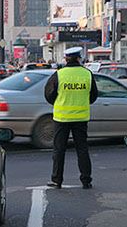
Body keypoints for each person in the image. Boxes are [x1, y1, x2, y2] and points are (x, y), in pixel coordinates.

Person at [44, 47, 98, 190]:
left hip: (62, 119)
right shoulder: (87, 74)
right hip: (81, 118)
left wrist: (59, 102)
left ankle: (57, 180)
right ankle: (86, 180)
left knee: (59, 150)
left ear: (66, 59)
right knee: (82, 149)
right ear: (79, 58)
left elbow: (49, 95)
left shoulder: (59, 75)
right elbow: (93, 96)